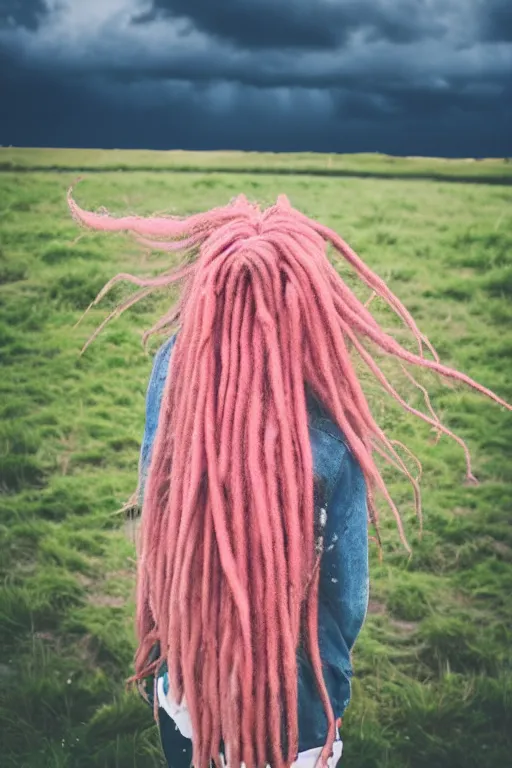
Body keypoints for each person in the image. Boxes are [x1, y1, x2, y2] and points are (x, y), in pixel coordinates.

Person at [68, 192, 510, 768]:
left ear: (210, 290)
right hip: (295, 716)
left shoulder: (176, 370)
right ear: (309, 303)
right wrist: (333, 682)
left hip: (186, 687)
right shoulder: (328, 422)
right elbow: (346, 597)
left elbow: (158, 514)